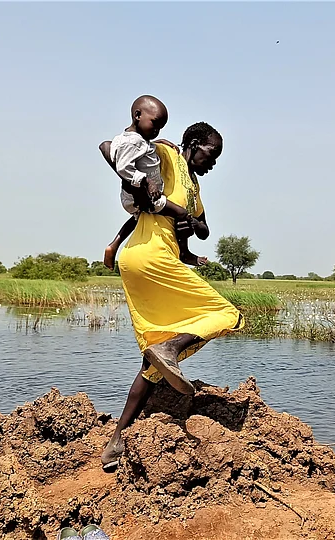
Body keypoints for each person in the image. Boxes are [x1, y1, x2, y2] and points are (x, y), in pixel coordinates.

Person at [98, 122, 242, 472]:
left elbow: (204, 229)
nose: (213, 163)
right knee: (229, 315)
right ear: (193, 143)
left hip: (141, 262)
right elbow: (109, 147)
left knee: (151, 368)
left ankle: (116, 441)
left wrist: (187, 220)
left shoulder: (193, 186)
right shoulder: (168, 156)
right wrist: (138, 181)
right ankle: (171, 349)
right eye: (211, 153)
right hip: (151, 257)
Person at [102, 95, 206, 270]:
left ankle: (113, 245)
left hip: (145, 196)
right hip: (149, 196)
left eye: (160, 128)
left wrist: (157, 141)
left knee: (136, 218)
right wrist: (146, 182)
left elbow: (140, 147)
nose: (157, 131)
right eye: (154, 124)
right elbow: (123, 167)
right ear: (137, 115)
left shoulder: (136, 140)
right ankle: (184, 253)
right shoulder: (132, 142)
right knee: (181, 213)